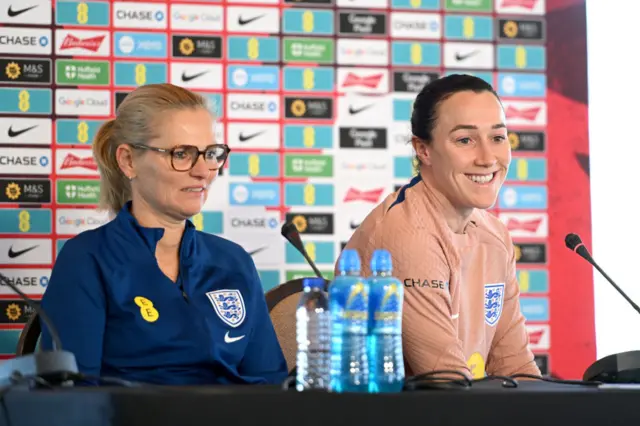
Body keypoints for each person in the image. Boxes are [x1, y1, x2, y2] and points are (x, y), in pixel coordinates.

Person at [40, 83, 288, 385]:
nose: (203, 171)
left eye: (210, 153)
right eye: (181, 153)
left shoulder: (233, 260)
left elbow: (271, 386)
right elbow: (72, 396)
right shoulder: (87, 259)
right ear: (128, 161)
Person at [339, 74, 541, 379]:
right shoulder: (408, 235)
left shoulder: (496, 235)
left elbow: (516, 368)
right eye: (465, 140)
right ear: (424, 150)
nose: (488, 158)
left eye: (498, 138)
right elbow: (445, 381)